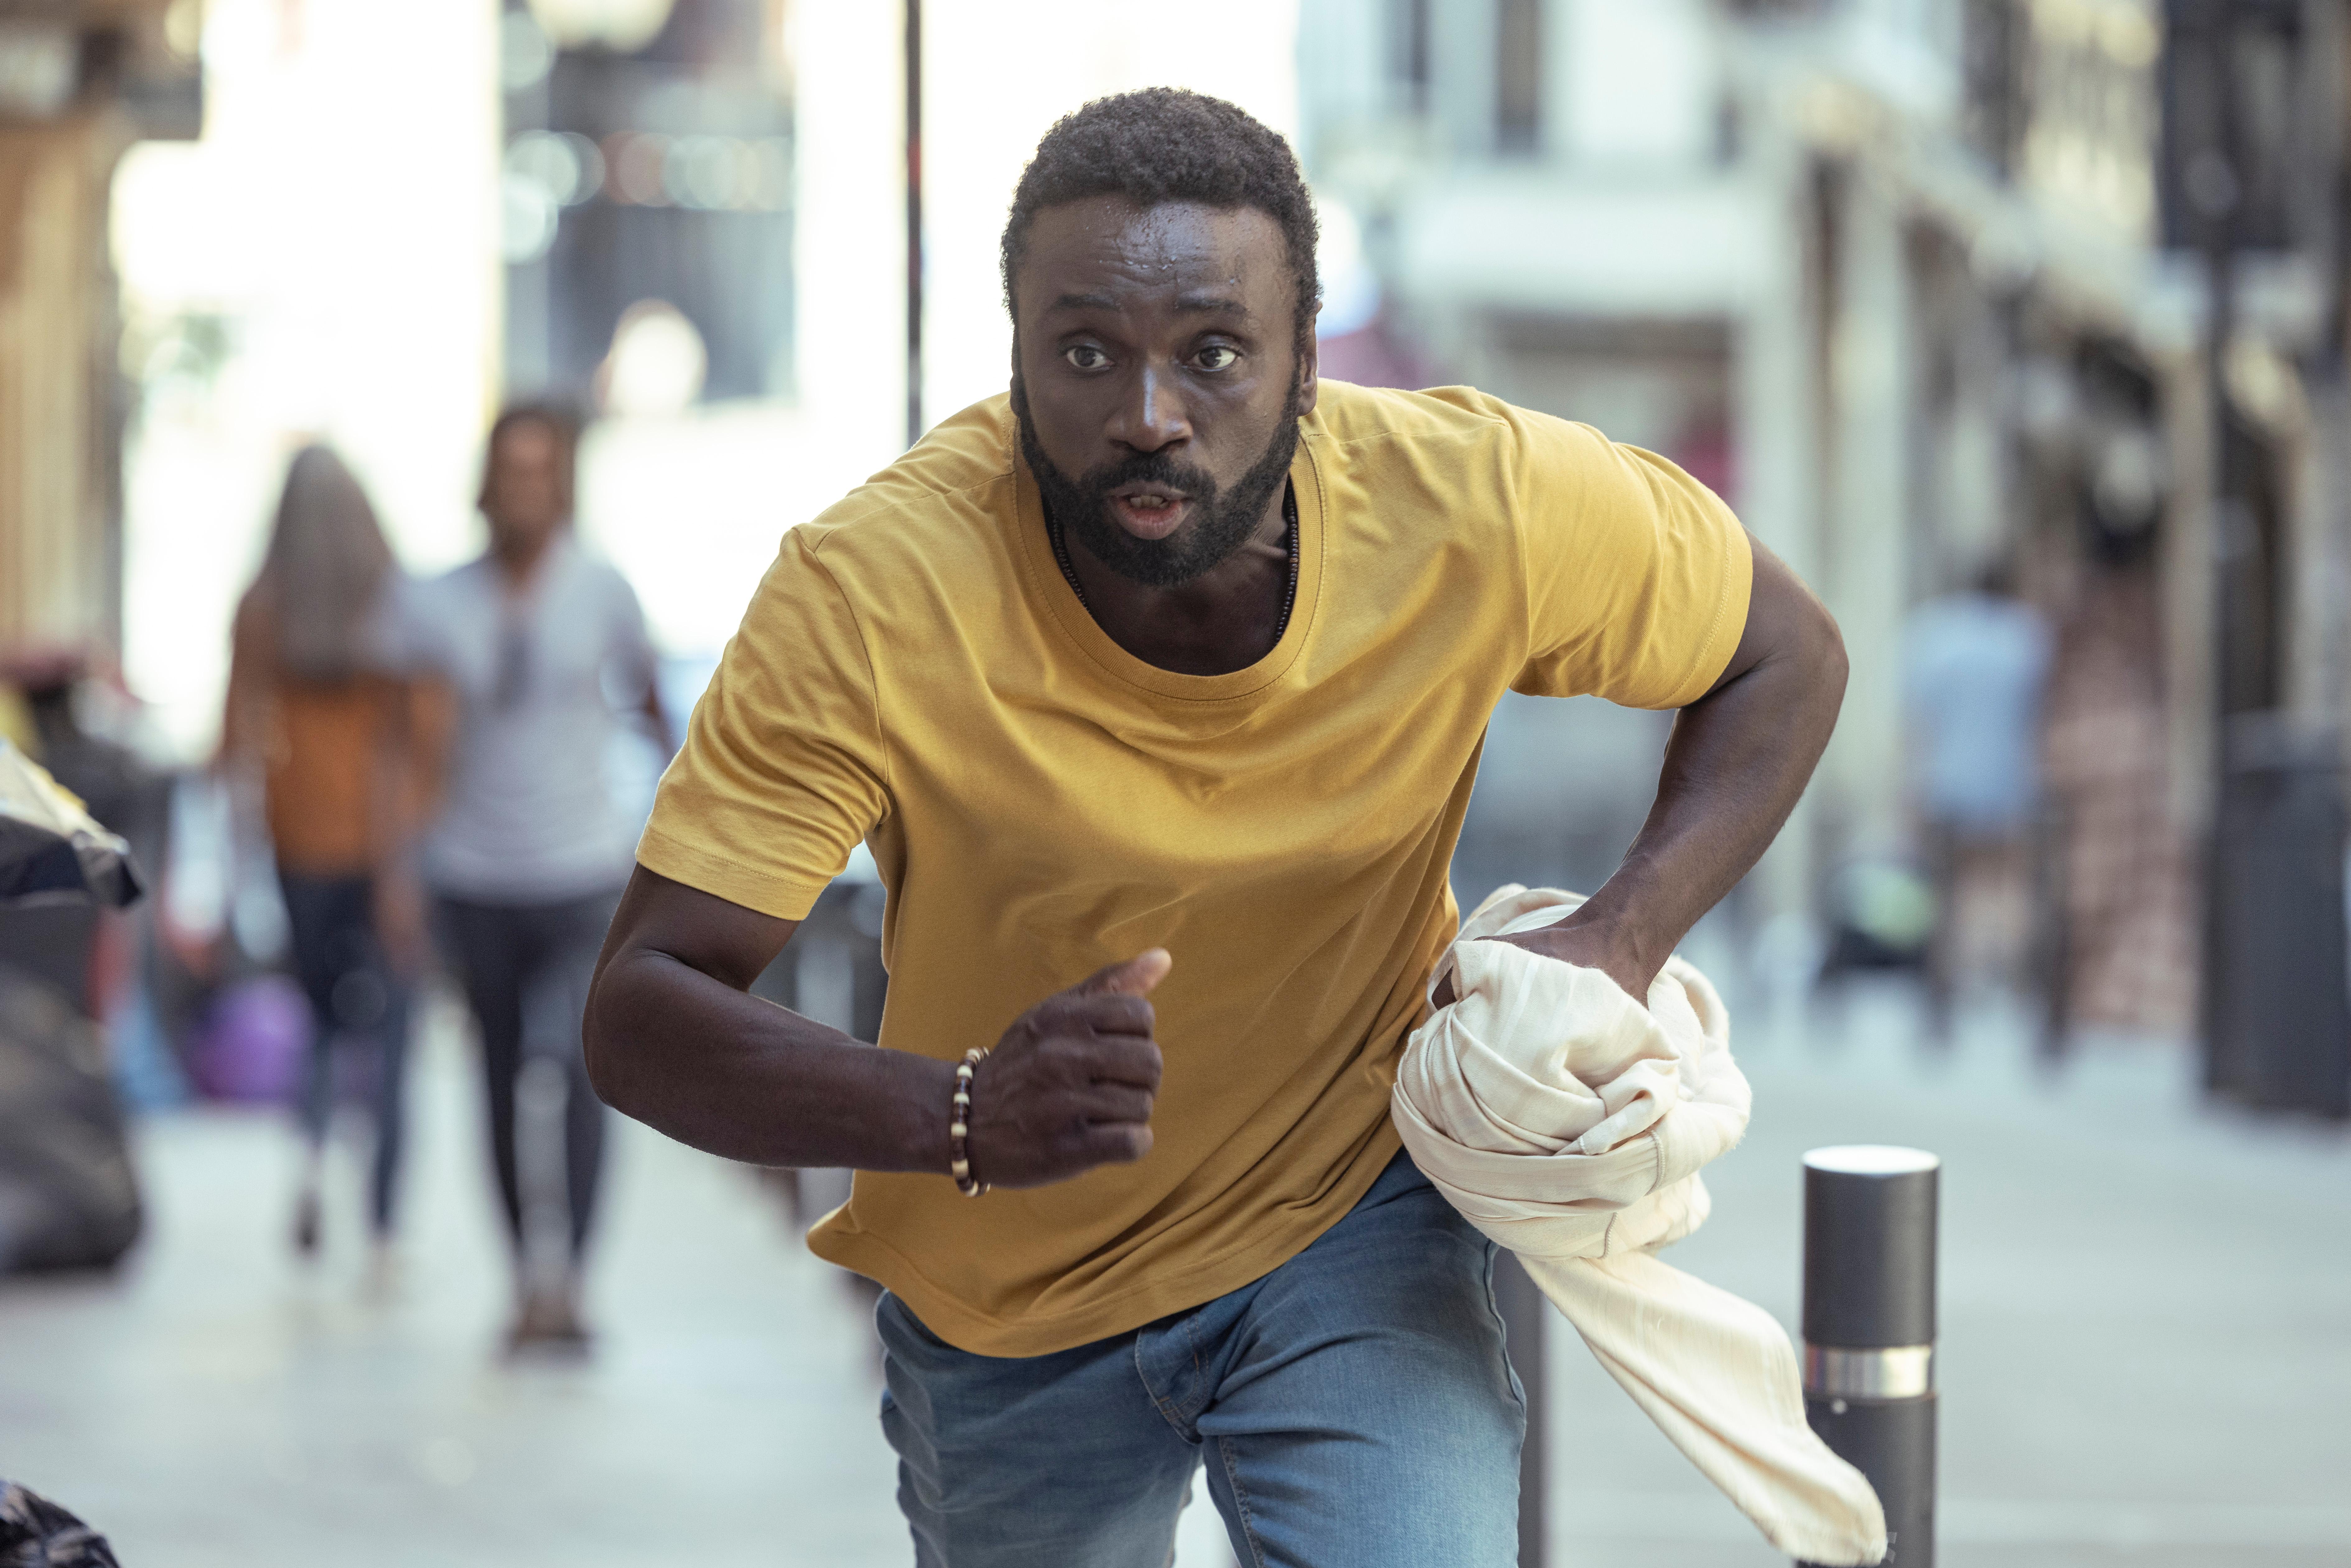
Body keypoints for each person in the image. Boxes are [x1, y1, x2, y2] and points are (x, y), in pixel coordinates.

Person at [586, 91, 1845, 1565]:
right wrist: (956, 1112)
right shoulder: (873, 590)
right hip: (1013, 1292)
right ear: (1015, 359)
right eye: (1084, 354)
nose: (1145, 414)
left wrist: (1617, 938)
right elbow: (641, 1010)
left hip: (1349, 1227)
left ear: (1305, 367)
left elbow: (1784, 654)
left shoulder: (1469, 502)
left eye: (1211, 353)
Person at [403, 404, 672, 1351]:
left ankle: (576, 1279)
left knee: (584, 1068)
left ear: (560, 482)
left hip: (582, 871)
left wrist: (688, 842)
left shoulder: (601, 589)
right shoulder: (437, 602)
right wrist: (401, 871)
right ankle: (525, 1276)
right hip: (475, 876)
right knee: (499, 1076)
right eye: (507, 470)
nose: (522, 488)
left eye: (539, 470)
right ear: (486, 482)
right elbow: (417, 750)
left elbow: (653, 712)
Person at [219, 446, 422, 1268]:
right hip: (384, 848)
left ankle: (309, 1162)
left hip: (296, 839)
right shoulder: (395, 606)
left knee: (318, 1021)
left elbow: (233, 738)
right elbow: (415, 742)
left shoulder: (262, 609)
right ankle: (381, 1227)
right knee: (395, 1031)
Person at [1900, 560, 2053, 1027]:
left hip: (1947, 780)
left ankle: (1954, 979)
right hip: (2011, 781)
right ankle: (1999, 967)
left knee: (1950, 887)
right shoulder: (2026, 637)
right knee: (2006, 882)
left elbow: (1916, 717)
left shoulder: (1935, 636)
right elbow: (2042, 712)